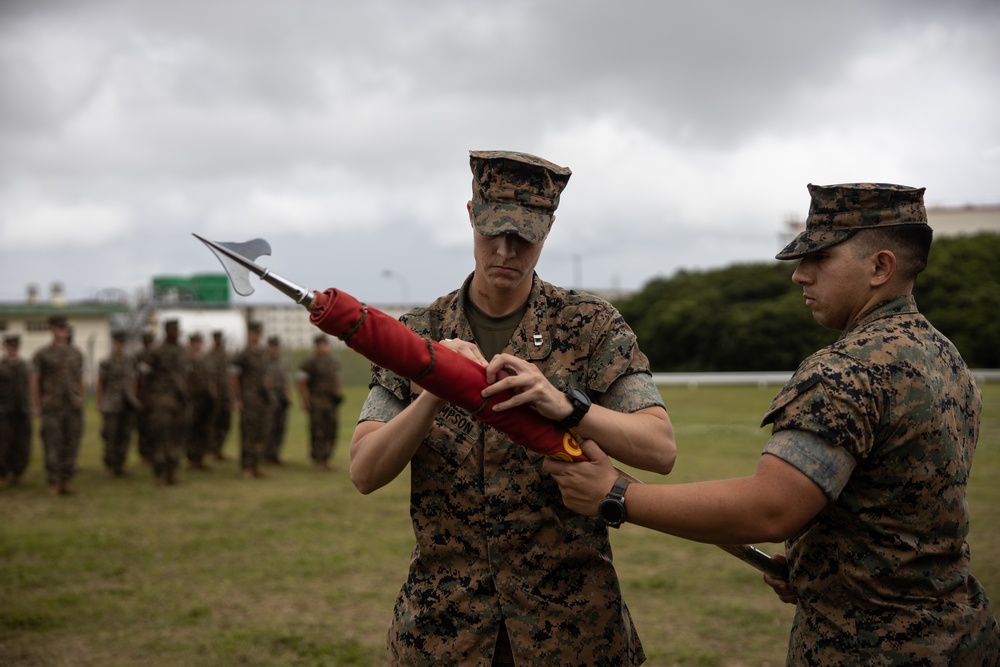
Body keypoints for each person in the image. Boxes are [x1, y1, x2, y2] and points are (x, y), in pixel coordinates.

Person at [544, 183, 999, 665]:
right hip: (959, 636)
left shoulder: (849, 369)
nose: (799, 276)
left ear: (880, 267)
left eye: (819, 258)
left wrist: (615, 496)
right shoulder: (946, 358)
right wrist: (822, 566)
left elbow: (769, 510)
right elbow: (899, 513)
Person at [349, 150, 676, 666]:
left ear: (547, 230)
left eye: (524, 235)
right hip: (444, 630)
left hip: (572, 631)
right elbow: (364, 471)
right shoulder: (419, 335)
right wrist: (437, 386)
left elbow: (659, 449)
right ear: (470, 216)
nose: (505, 250)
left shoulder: (590, 326)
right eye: (492, 231)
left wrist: (567, 407)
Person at [30, 315, 85, 496]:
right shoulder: (42, 354)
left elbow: (80, 379)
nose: (62, 331)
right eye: (58, 328)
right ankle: (53, 481)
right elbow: (35, 380)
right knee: (53, 444)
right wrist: (36, 404)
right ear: (51, 329)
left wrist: (81, 398)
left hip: (72, 406)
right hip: (52, 406)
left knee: (72, 443)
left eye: (64, 328)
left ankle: (66, 481)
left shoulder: (76, 353)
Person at [141, 319, 191, 486]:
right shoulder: (156, 351)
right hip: (161, 400)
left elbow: (187, 374)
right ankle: (159, 474)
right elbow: (146, 377)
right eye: (171, 330)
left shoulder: (184, 351)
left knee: (176, 438)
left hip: (179, 401)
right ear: (166, 331)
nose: (175, 333)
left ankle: (172, 472)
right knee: (161, 437)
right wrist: (147, 399)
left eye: (177, 329)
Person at [230, 321, 274, 479]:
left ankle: (257, 465)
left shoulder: (264, 353)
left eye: (258, 333)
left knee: (262, 432)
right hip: (249, 400)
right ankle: (247, 466)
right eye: (253, 333)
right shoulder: (242, 355)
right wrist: (237, 399)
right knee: (248, 433)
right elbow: (234, 378)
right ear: (248, 334)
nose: (255, 337)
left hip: (263, 399)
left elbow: (269, 373)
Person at [296, 334, 344, 471]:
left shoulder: (333, 361)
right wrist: (304, 400)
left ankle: (326, 459)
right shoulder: (310, 362)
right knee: (318, 430)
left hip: (331, 401)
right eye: (321, 344)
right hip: (317, 401)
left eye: (326, 344)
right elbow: (301, 382)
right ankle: (317, 461)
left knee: (331, 429)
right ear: (316, 346)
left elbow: (337, 378)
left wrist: (338, 392)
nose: (324, 347)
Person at [96, 330, 138, 477]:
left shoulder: (129, 361)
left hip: (126, 404)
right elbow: (101, 383)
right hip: (111, 403)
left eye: (123, 343)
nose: (121, 346)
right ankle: (110, 466)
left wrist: (133, 397)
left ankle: (121, 464)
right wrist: (99, 403)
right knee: (110, 435)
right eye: (118, 342)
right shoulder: (106, 362)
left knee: (125, 435)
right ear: (114, 343)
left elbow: (132, 380)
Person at [0, 334, 32, 487]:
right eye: (10, 346)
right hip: (4, 410)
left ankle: (19, 472)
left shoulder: (24, 365)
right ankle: (3, 474)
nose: (13, 349)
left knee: (22, 442)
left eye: (16, 347)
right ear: (5, 347)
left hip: (22, 409)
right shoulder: (1, 366)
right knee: (4, 442)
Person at [186, 332, 215, 471]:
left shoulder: (206, 359)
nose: (197, 345)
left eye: (199, 342)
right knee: (192, 430)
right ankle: (192, 458)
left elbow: (210, 379)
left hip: (205, 400)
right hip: (191, 400)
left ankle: (200, 457)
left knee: (204, 429)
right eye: (195, 343)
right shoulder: (186, 359)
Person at [264, 335, 291, 465]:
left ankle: (275, 454)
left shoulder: (283, 362)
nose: (274, 349)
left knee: (280, 427)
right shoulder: (263, 361)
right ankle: (265, 454)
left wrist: (288, 394)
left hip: (281, 399)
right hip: (269, 398)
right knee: (268, 427)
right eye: (272, 346)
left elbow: (286, 380)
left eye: (276, 346)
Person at [208, 330, 232, 462]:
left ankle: (219, 449)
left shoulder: (225, 355)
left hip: (226, 394)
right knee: (214, 423)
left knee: (225, 422)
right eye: (217, 338)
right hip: (215, 395)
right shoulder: (210, 355)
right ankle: (212, 449)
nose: (219, 341)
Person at [134, 330, 156, 465]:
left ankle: (152, 452)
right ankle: (144, 453)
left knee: (154, 427)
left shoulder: (155, 355)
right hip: (142, 396)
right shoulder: (138, 356)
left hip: (154, 396)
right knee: (142, 427)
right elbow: (137, 378)